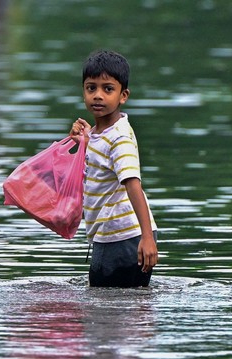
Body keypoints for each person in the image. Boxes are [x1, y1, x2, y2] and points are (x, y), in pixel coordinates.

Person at [69, 50, 158, 288]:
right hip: (110, 236)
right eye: (91, 88)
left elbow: (133, 184)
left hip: (125, 237)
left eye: (108, 89)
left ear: (123, 96)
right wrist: (86, 140)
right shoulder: (101, 134)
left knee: (106, 310)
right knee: (113, 308)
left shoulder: (120, 138)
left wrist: (147, 238)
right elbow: (101, 160)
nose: (98, 96)